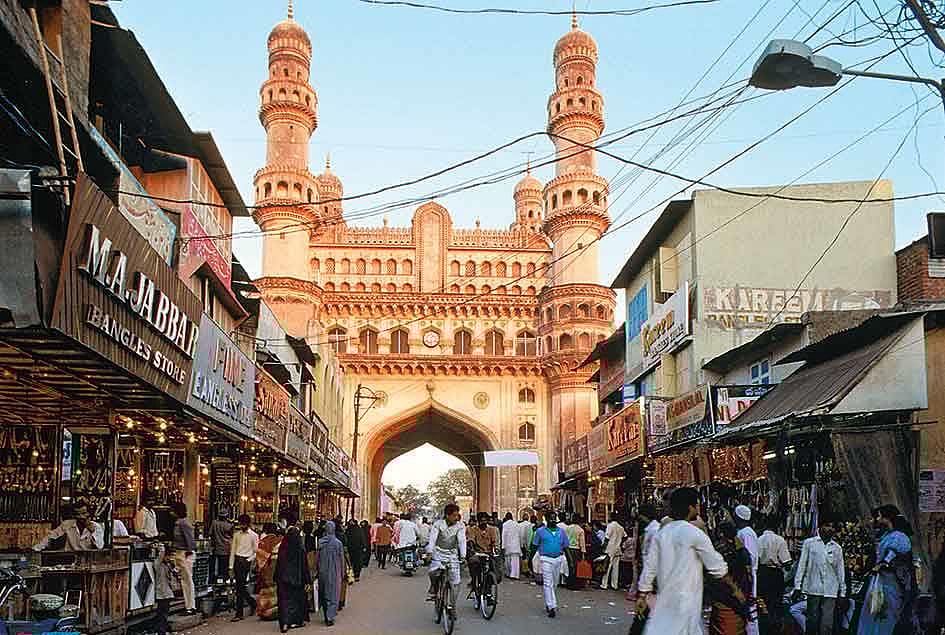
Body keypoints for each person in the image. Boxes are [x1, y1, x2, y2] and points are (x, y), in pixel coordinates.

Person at [636, 487, 732, 634]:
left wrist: (642, 594)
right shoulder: (695, 532)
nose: (699, 508)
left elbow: (650, 567)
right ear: (690, 507)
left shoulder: (662, 533)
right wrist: (736, 591)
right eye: (697, 504)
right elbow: (717, 568)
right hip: (687, 602)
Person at [857, 505, 918, 635]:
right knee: (874, 611)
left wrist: (880, 565)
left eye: (879, 516)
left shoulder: (899, 536)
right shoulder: (886, 535)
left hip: (891, 583)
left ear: (887, 518)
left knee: (886, 614)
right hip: (880, 581)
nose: (876, 519)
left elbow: (892, 556)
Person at [793, 517, 846, 635]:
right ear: (820, 527)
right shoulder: (809, 543)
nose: (830, 529)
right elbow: (802, 565)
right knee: (812, 620)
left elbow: (840, 570)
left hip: (831, 590)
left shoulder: (837, 548)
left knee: (827, 623)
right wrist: (797, 586)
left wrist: (842, 592)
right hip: (813, 588)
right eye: (827, 525)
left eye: (832, 527)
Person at [708, 522, 754, 635]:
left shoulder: (719, 549)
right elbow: (749, 576)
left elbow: (720, 575)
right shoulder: (743, 551)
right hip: (740, 599)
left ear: (721, 533)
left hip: (726, 599)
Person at [427, 503, 467, 609]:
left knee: (456, 582)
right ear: (447, 515)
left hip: (452, 555)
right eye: (454, 515)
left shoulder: (460, 526)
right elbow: (432, 539)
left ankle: (452, 606)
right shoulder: (438, 524)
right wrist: (430, 552)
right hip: (438, 553)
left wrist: (463, 556)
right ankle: (434, 589)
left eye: (457, 515)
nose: (456, 517)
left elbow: (462, 541)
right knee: (432, 572)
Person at [757, 516, 792, 634]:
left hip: (762, 573)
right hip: (776, 575)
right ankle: (774, 629)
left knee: (762, 602)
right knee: (776, 604)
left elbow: (756, 559)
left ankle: (764, 628)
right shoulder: (780, 540)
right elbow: (787, 562)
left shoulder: (759, 539)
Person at [531, 511, 569, 618]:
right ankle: (551, 606)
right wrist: (530, 559)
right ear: (546, 519)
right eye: (551, 518)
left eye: (554, 518)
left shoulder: (561, 532)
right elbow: (534, 546)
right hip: (545, 559)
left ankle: (550, 602)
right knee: (548, 583)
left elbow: (566, 547)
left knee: (555, 583)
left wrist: (570, 562)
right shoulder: (540, 531)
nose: (553, 520)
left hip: (558, 559)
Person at [276, 524, 310, 633]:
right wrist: (307, 580)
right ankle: (295, 621)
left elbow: (279, 564)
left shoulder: (283, 547)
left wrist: (276, 578)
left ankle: (285, 623)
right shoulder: (300, 548)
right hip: (296, 580)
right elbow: (304, 566)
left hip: (283, 579)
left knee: (284, 601)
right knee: (295, 602)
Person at [34, 503, 104, 551]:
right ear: (74, 515)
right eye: (77, 514)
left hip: (88, 560)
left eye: (83, 513)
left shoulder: (96, 527)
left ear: (89, 514)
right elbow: (50, 537)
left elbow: (100, 546)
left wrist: (93, 532)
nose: (81, 517)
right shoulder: (67, 524)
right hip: (70, 558)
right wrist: (35, 549)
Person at [734, 505, 760, 635]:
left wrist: (747, 575)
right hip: (745, 575)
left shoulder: (747, 533)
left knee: (751, 609)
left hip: (748, 575)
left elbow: (750, 556)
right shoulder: (743, 532)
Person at [229, 514, 259, 622]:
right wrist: (231, 566)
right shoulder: (236, 535)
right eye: (241, 524)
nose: (242, 526)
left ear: (248, 524)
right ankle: (252, 603)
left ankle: (239, 613)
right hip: (237, 560)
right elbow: (233, 550)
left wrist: (248, 560)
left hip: (246, 561)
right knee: (240, 586)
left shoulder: (254, 535)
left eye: (244, 524)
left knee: (240, 586)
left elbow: (256, 551)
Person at [171, 501, 197, 615]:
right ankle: (189, 605)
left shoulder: (184, 523)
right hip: (181, 553)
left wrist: (189, 552)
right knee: (184, 580)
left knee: (187, 581)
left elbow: (190, 540)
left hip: (185, 554)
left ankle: (190, 607)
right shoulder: (179, 523)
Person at [317, 521, 344, 627]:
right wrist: (342, 572)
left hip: (323, 571)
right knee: (333, 594)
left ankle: (326, 614)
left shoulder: (320, 542)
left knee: (324, 593)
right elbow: (341, 559)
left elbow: (317, 558)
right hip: (334, 571)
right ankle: (330, 617)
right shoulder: (338, 543)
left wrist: (317, 569)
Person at [256, 522, 284, 620]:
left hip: (266, 569)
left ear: (266, 530)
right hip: (279, 568)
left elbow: (260, 559)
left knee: (265, 591)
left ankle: (265, 612)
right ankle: (276, 611)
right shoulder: (280, 540)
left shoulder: (263, 542)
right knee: (276, 590)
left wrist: (261, 569)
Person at [467, 511, 500, 591]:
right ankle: (474, 581)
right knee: (473, 563)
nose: (483, 522)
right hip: (477, 553)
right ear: (478, 521)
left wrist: (496, 548)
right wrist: (472, 549)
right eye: (481, 521)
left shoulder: (493, 529)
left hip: (489, 553)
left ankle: (488, 591)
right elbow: (471, 540)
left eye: (485, 520)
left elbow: (495, 542)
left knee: (493, 570)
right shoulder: (473, 529)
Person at [152, 542, 174, 635]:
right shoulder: (158, 564)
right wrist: (161, 546)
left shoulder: (167, 565)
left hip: (167, 593)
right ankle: (161, 631)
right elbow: (161, 554)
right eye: (168, 556)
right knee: (162, 614)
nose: (169, 558)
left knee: (163, 613)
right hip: (162, 594)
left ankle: (161, 630)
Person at [601, 512, 627, 590]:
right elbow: (625, 536)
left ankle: (604, 584)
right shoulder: (621, 527)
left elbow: (607, 538)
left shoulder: (610, 526)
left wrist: (603, 547)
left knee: (607, 566)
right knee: (616, 568)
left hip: (610, 548)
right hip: (617, 548)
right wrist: (620, 543)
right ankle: (614, 585)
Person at [210, 509, 234, 584]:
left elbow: (210, 534)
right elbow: (232, 536)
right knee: (224, 568)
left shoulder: (214, 523)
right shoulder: (229, 525)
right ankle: (223, 584)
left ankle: (215, 583)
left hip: (216, 548)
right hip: (226, 549)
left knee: (216, 567)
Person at [500, 512, 521, 579]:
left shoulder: (505, 524)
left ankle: (509, 574)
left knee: (508, 561)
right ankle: (515, 575)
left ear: (506, 517)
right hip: (516, 545)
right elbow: (519, 535)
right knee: (515, 561)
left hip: (508, 545)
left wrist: (503, 546)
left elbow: (504, 535)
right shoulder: (516, 524)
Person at [518, 512, 533, 577]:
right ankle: (527, 570)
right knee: (527, 557)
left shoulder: (519, 525)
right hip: (527, 543)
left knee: (523, 557)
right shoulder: (530, 525)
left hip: (521, 542)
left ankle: (523, 569)